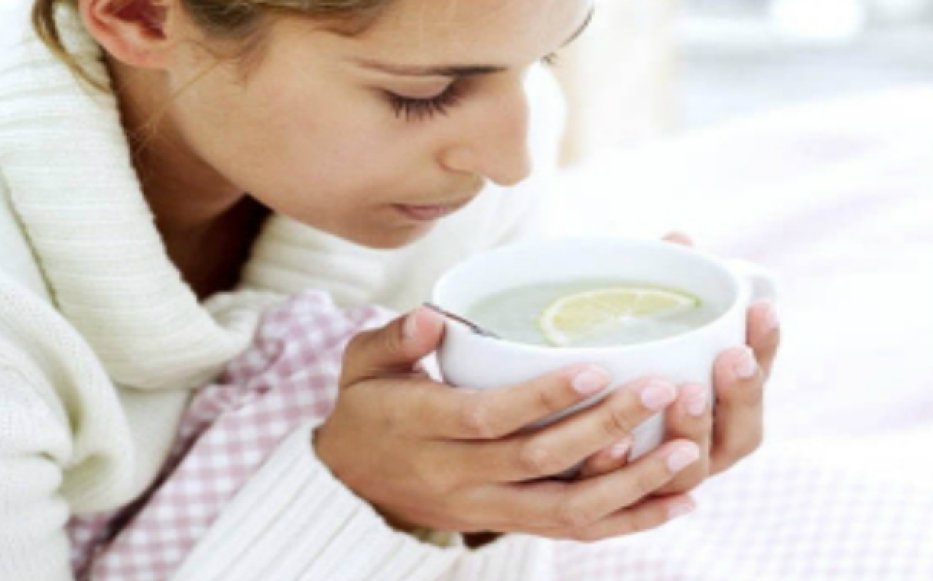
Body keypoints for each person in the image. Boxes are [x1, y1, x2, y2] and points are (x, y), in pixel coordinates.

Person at [0, 1, 780, 579]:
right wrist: (363, 500)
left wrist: (503, 494)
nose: (510, 161)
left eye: (541, 58)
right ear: (139, 14)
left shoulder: (483, 160)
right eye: (425, 93)